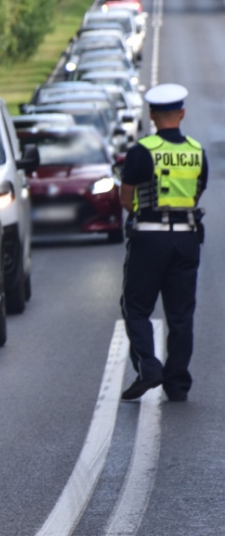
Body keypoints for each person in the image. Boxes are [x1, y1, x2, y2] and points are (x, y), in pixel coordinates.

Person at [119, 83, 208, 402]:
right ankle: (177, 384)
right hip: (186, 239)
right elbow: (197, 193)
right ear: (182, 114)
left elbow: (126, 198)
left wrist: (144, 211)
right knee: (181, 315)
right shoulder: (197, 150)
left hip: (149, 240)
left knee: (137, 308)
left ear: (152, 115)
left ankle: (150, 366)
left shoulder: (142, 151)